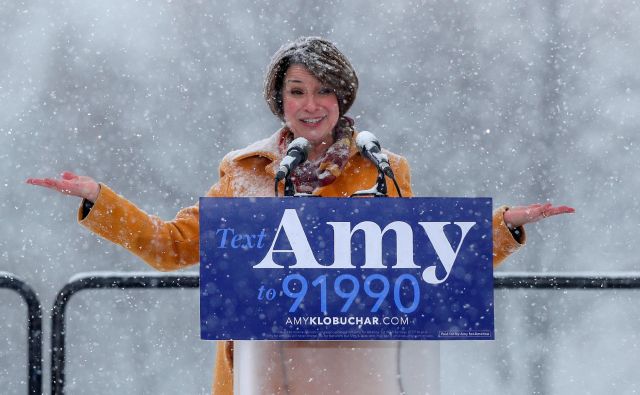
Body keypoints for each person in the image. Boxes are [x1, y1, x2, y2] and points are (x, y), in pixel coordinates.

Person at [27, 36, 574, 394]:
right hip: (265, 372)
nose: (311, 104)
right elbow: (171, 247)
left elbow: (426, 261)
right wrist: (100, 198)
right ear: (279, 101)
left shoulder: (384, 170)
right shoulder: (244, 172)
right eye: (297, 91)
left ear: (343, 98)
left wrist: (506, 226)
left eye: (324, 91)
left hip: (359, 369)